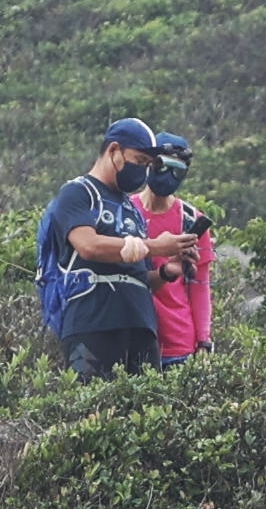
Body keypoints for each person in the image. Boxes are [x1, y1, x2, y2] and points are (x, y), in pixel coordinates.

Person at [36, 121, 179, 380]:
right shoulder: (78, 193)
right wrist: (153, 246)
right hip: (93, 323)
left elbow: (139, 277)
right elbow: (88, 246)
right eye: (139, 160)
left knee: (148, 411)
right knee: (94, 410)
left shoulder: (131, 210)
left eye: (148, 165)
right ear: (114, 150)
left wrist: (169, 271)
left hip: (140, 324)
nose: (143, 172)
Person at [131, 140, 216, 362]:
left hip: (178, 343)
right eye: (162, 165)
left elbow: (200, 285)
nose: (168, 175)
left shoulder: (190, 220)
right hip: (132, 336)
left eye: (177, 171)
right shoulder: (126, 213)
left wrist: (204, 342)